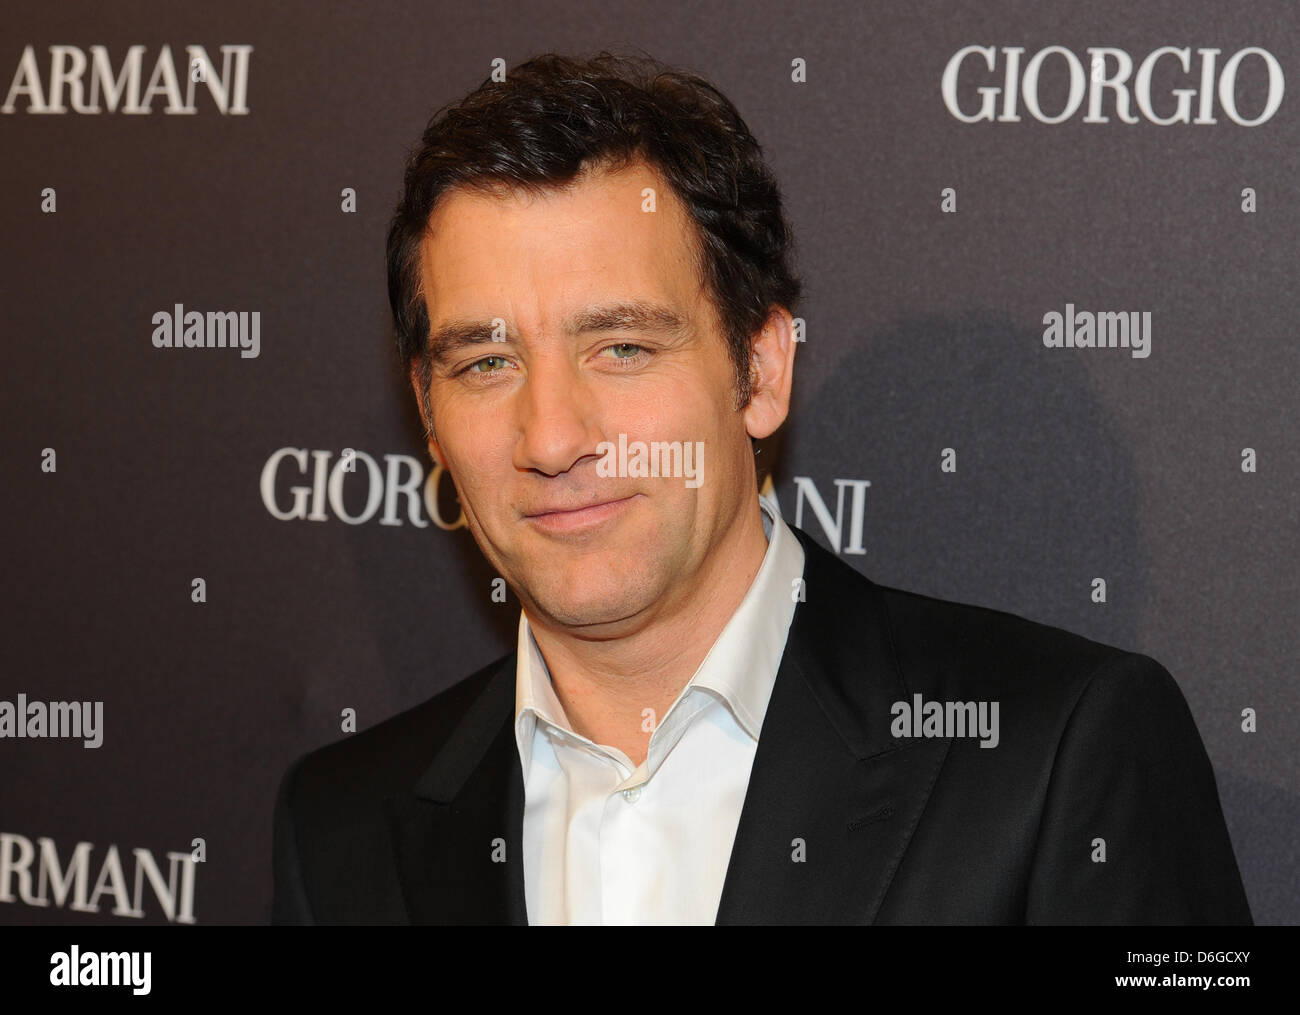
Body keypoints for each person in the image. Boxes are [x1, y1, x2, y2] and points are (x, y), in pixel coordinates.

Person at [271, 51, 1252, 925]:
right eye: (485, 362)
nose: (553, 436)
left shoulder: (1054, 755)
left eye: (620, 348)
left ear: (761, 369)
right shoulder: (342, 826)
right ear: (429, 415)